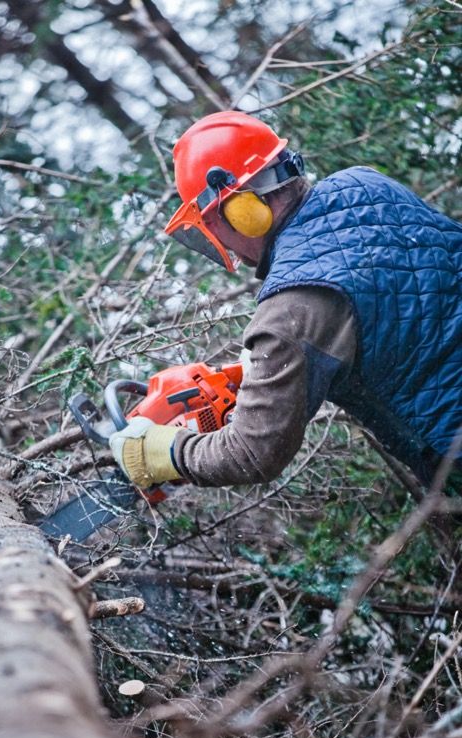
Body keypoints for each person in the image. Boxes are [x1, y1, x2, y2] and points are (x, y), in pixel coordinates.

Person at [110, 111, 462, 494]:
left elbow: (252, 452)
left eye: (212, 225)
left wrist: (170, 452)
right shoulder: (364, 183)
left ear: (242, 210)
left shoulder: (290, 309)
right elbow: (403, 305)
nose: (223, 244)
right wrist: (266, 369)